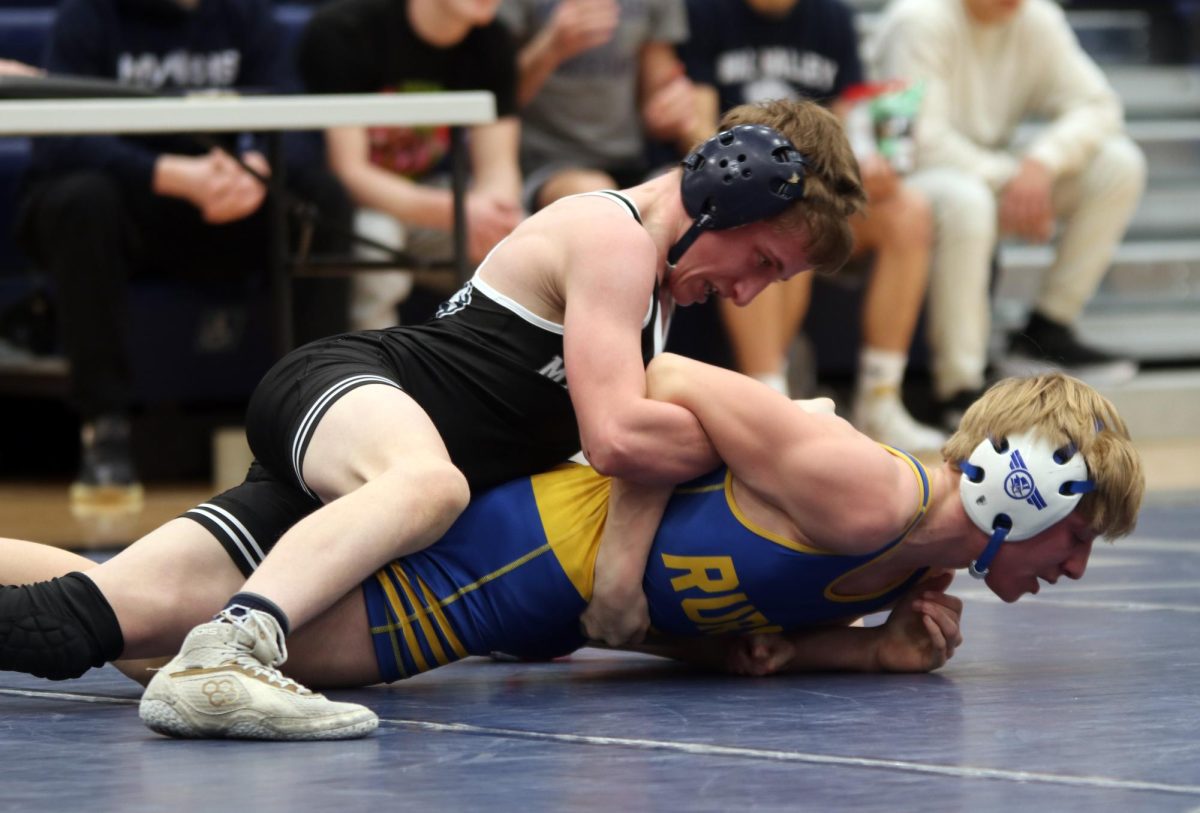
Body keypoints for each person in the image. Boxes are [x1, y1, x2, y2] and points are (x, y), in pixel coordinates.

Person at [35, 98, 859, 740]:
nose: (748, 292)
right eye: (760, 262)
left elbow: (625, 458)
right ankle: (235, 648)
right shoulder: (616, 239)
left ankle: (210, 640)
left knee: (95, 620)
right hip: (351, 389)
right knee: (432, 484)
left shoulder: (653, 296)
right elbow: (616, 440)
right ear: (725, 187)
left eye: (772, 280)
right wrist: (771, 430)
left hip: (350, 476)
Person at [0, 365, 1144, 731]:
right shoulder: (861, 491)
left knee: (134, 625)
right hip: (503, 561)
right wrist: (615, 559)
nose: (1078, 566)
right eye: (1078, 533)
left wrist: (860, 658)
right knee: (149, 640)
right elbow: (664, 384)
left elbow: (696, 638)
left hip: (518, 599)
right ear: (1024, 486)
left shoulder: (907, 570)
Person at [14, 0, 354, 513]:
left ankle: (315, 417)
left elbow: (296, 118)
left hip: (224, 201)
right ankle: (103, 427)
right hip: (129, 203)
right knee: (80, 200)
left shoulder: (245, 16)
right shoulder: (88, 18)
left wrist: (256, 168)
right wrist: (169, 174)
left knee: (318, 196)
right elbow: (60, 138)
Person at [677, 0, 945, 452]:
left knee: (908, 211)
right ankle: (768, 400)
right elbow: (698, 130)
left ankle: (880, 402)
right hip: (737, 190)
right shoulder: (706, 11)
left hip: (814, 187)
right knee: (780, 210)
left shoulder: (832, 17)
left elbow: (847, 129)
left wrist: (866, 167)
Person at [868, 0, 1147, 429]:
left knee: (1118, 165)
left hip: (992, 176)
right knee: (968, 198)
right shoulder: (917, 20)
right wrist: (1013, 178)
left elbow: (1099, 105)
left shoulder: (1037, 19)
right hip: (908, 180)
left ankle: (1048, 326)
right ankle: (959, 388)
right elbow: (921, 141)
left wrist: (1043, 163)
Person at [297, 0, 524, 330]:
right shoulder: (346, 30)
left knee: (532, 245)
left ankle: (499, 378)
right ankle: (367, 375)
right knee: (376, 244)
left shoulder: (494, 40)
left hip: (437, 195)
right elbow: (348, 173)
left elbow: (499, 166)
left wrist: (495, 213)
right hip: (354, 205)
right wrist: (459, 212)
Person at [496, 0, 701, 212]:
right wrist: (551, 47)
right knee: (597, 199)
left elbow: (656, 89)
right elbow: (493, 96)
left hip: (631, 160)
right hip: (545, 163)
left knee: (690, 193)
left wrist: (670, 106)